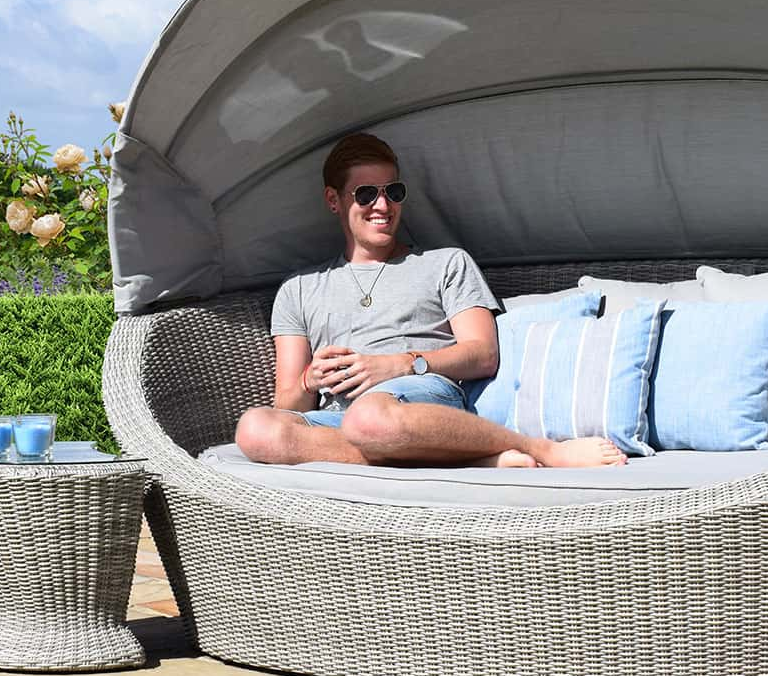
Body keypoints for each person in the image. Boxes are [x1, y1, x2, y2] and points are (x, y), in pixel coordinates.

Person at [235, 132, 626, 469]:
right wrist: (310, 378)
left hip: (421, 405)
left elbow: (483, 354)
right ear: (334, 200)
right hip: (338, 419)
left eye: (394, 192)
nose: (383, 206)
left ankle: (540, 449)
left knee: (370, 419)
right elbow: (288, 403)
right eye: (366, 194)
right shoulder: (299, 289)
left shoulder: (445, 263)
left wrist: (399, 365)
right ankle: (475, 461)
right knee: (256, 429)